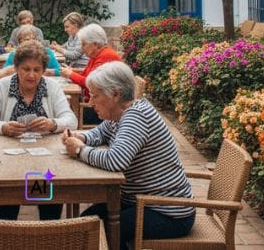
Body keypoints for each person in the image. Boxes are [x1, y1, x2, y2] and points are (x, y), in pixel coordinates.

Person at [62, 61, 195, 247]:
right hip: (139, 201)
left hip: (166, 211)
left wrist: (79, 150)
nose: (90, 102)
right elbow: (100, 133)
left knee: (98, 230)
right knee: (86, 222)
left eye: (95, 96)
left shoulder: (136, 116)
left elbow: (115, 161)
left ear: (115, 94)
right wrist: (80, 137)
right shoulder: (120, 114)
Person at [0, 40, 77, 220]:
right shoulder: (3, 86)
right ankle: (7, 237)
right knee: (7, 204)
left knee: (49, 202)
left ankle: (47, 237)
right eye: (26, 69)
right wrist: (4, 127)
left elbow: (71, 120)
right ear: (16, 67)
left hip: (47, 160)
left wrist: (53, 124)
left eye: (37, 70)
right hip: (7, 161)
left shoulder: (52, 87)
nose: (31, 75)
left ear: (43, 70)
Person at [59, 23, 121, 124]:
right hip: (96, 104)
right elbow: (87, 74)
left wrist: (70, 74)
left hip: (102, 111)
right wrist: (72, 71)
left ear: (95, 44)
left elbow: (89, 83)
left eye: (84, 44)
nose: (82, 48)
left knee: (66, 115)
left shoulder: (105, 56)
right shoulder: (97, 55)